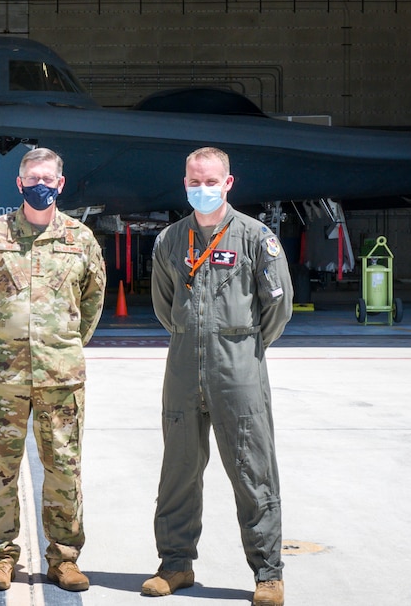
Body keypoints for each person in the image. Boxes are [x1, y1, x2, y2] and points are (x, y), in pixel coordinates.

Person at [143, 147, 292, 606]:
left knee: (252, 471)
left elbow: (277, 307)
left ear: (229, 183)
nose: (201, 189)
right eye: (194, 181)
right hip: (184, 367)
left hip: (238, 371)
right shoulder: (170, 239)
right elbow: (164, 306)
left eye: (210, 181)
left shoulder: (255, 237)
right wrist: (196, 340)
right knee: (179, 472)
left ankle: (267, 574)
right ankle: (175, 565)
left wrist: (241, 346)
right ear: (184, 182)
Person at [0, 147, 106, 592]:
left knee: (64, 468)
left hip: (61, 378)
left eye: (48, 178)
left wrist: (61, 347)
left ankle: (64, 557)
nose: (40, 185)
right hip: (2, 380)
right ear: (19, 184)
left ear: (60, 184)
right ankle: (0, 556)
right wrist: (0, 345)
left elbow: (92, 301)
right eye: (31, 178)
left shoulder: (81, 239)